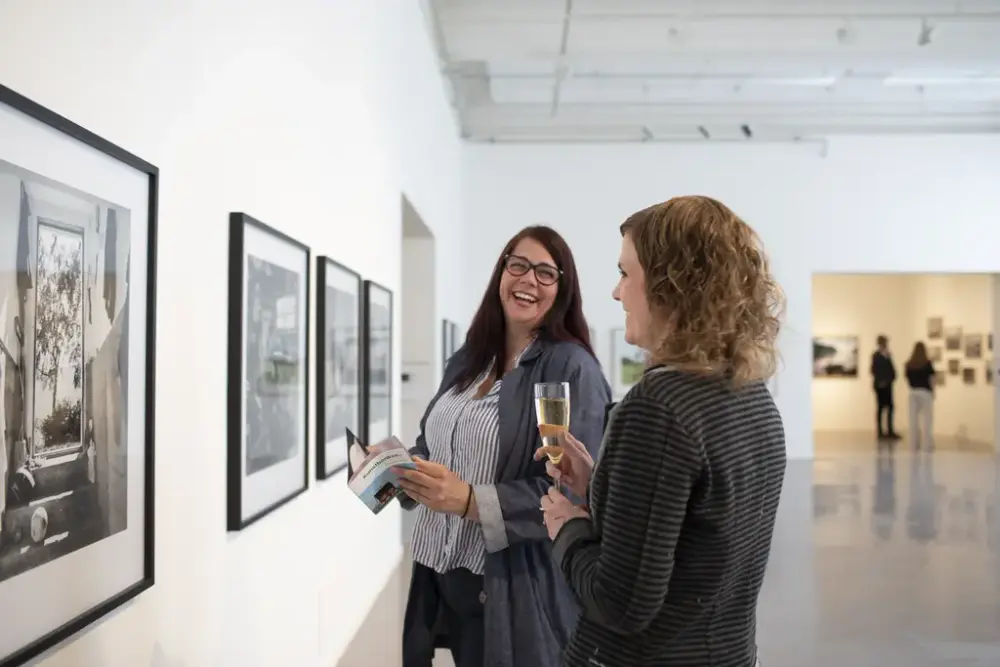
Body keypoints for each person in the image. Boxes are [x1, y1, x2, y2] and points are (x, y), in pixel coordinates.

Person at [538, 195, 787, 667]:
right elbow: (698, 533)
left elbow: (622, 603)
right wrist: (602, 485)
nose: (616, 293)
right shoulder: (751, 396)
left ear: (675, 285)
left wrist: (567, 528)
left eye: (625, 273)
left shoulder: (659, 408)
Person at [396, 225, 612, 667]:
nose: (527, 279)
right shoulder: (469, 358)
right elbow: (432, 443)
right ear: (501, 274)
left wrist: (473, 501)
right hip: (439, 573)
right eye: (518, 265)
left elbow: (571, 491)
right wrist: (401, 471)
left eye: (545, 273)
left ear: (563, 290)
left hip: (511, 589)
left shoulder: (573, 368)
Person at [904, 341, 936, 451]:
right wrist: (933, 392)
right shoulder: (927, 363)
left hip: (913, 393)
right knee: (927, 420)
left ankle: (914, 444)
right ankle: (927, 445)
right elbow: (931, 379)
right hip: (925, 393)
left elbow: (907, 379)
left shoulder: (908, 364)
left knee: (913, 421)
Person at [871, 334, 901, 440]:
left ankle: (890, 431)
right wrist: (881, 381)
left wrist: (892, 378)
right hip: (880, 386)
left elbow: (891, 369)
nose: (886, 344)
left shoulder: (887, 355)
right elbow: (874, 370)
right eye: (884, 342)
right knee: (880, 408)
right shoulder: (875, 355)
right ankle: (880, 432)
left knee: (890, 407)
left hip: (888, 385)